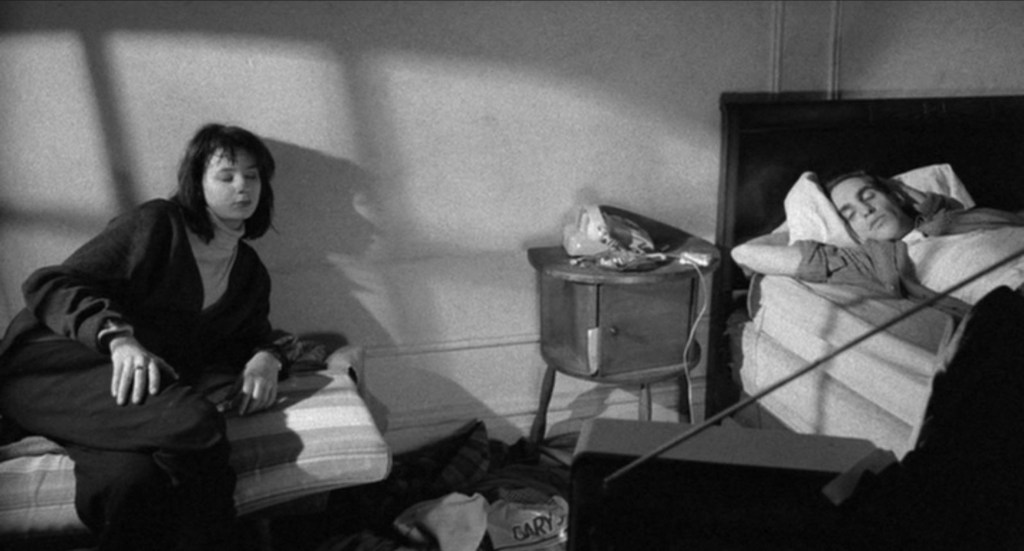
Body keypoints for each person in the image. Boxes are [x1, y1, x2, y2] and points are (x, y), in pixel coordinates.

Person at [0, 123, 290, 551]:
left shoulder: (248, 272)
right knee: (195, 422)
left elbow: (255, 337)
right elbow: (48, 283)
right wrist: (119, 340)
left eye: (252, 176)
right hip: (50, 370)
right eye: (226, 176)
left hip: (119, 396)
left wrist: (267, 359)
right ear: (197, 182)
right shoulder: (157, 224)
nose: (242, 187)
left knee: (132, 482)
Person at [731, 170, 1024, 312]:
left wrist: (904, 192)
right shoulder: (878, 260)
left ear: (895, 196)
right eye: (848, 214)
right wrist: (796, 229)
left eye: (868, 196)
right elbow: (744, 253)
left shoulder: (951, 217)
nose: (866, 210)